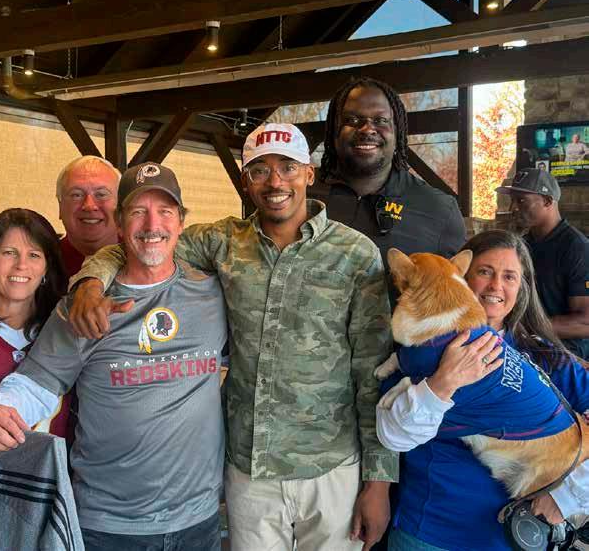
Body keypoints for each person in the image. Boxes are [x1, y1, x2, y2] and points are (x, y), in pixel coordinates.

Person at [65, 123, 397, 551]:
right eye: (260, 170)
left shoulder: (355, 254)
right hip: (248, 469)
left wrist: (378, 483)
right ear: (245, 181)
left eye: (288, 167)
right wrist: (90, 281)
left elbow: (373, 373)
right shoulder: (222, 242)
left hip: (331, 467)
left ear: (309, 173)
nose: (275, 182)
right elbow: (143, 240)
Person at [0, 164, 228, 551]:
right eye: (138, 211)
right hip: (109, 527)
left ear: (181, 221)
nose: (152, 224)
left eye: (164, 211)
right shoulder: (84, 307)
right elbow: (36, 382)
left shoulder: (213, 294)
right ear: (120, 223)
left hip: (199, 520)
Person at [376, 230, 589, 551]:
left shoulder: (547, 356)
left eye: (509, 276)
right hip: (428, 532)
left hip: (516, 539)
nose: (495, 286)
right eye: (485, 272)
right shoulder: (420, 351)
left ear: (522, 287)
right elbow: (391, 436)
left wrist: (567, 497)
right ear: (460, 276)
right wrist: (442, 384)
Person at [311, 77, 466, 303]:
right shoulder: (301, 194)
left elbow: (458, 299)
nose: (367, 129)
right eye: (352, 120)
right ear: (334, 131)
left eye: (380, 120)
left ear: (397, 131)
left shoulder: (438, 210)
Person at [0, 208, 71, 438]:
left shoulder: (66, 335)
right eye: (9, 253)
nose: (21, 265)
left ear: (47, 267)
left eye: (34, 255)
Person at [497, 168, 589, 359]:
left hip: (563, 353)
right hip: (523, 345)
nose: (514, 207)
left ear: (547, 201)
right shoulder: (522, 244)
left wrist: (526, 327)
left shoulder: (577, 248)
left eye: (522, 201)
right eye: (513, 200)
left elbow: (585, 321)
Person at [56, 156, 121, 279]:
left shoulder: (142, 259)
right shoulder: (41, 264)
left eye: (101, 194)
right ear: (60, 206)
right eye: (76, 195)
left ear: (121, 205)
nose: (89, 206)